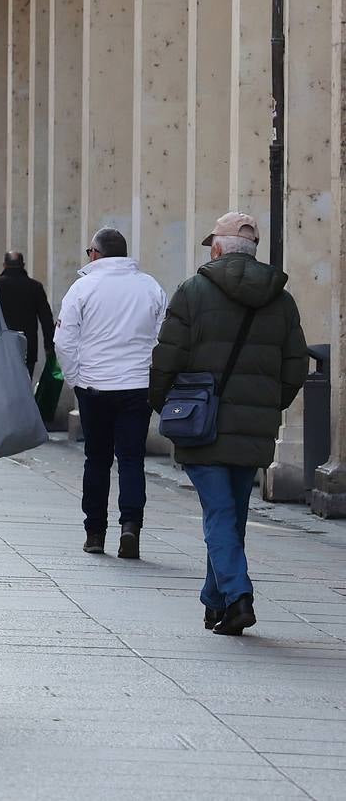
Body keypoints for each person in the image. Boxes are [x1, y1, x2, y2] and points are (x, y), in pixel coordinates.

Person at [149, 213, 307, 636]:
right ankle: (214, 600)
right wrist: (269, 407)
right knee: (229, 514)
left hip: (201, 422)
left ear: (217, 248)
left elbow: (167, 357)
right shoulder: (282, 299)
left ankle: (238, 596)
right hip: (253, 427)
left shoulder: (193, 291)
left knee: (220, 513)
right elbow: (295, 368)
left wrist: (165, 405)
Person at [55, 228, 166, 559]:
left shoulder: (83, 288)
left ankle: (95, 532)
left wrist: (75, 378)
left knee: (97, 459)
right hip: (136, 386)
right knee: (131, 459)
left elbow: (63, 340)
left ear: (95, 254)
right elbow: (164, 338)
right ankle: (131, 526)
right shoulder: (151, 287)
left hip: (94, 387)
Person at [0, 251, 56, 375]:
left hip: (1, 349)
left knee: (4, 389)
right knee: (24, 387)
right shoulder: (35, 287)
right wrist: (49, 347)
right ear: (23, 265)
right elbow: (46, 319)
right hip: (27, 349)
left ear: (4, 265)